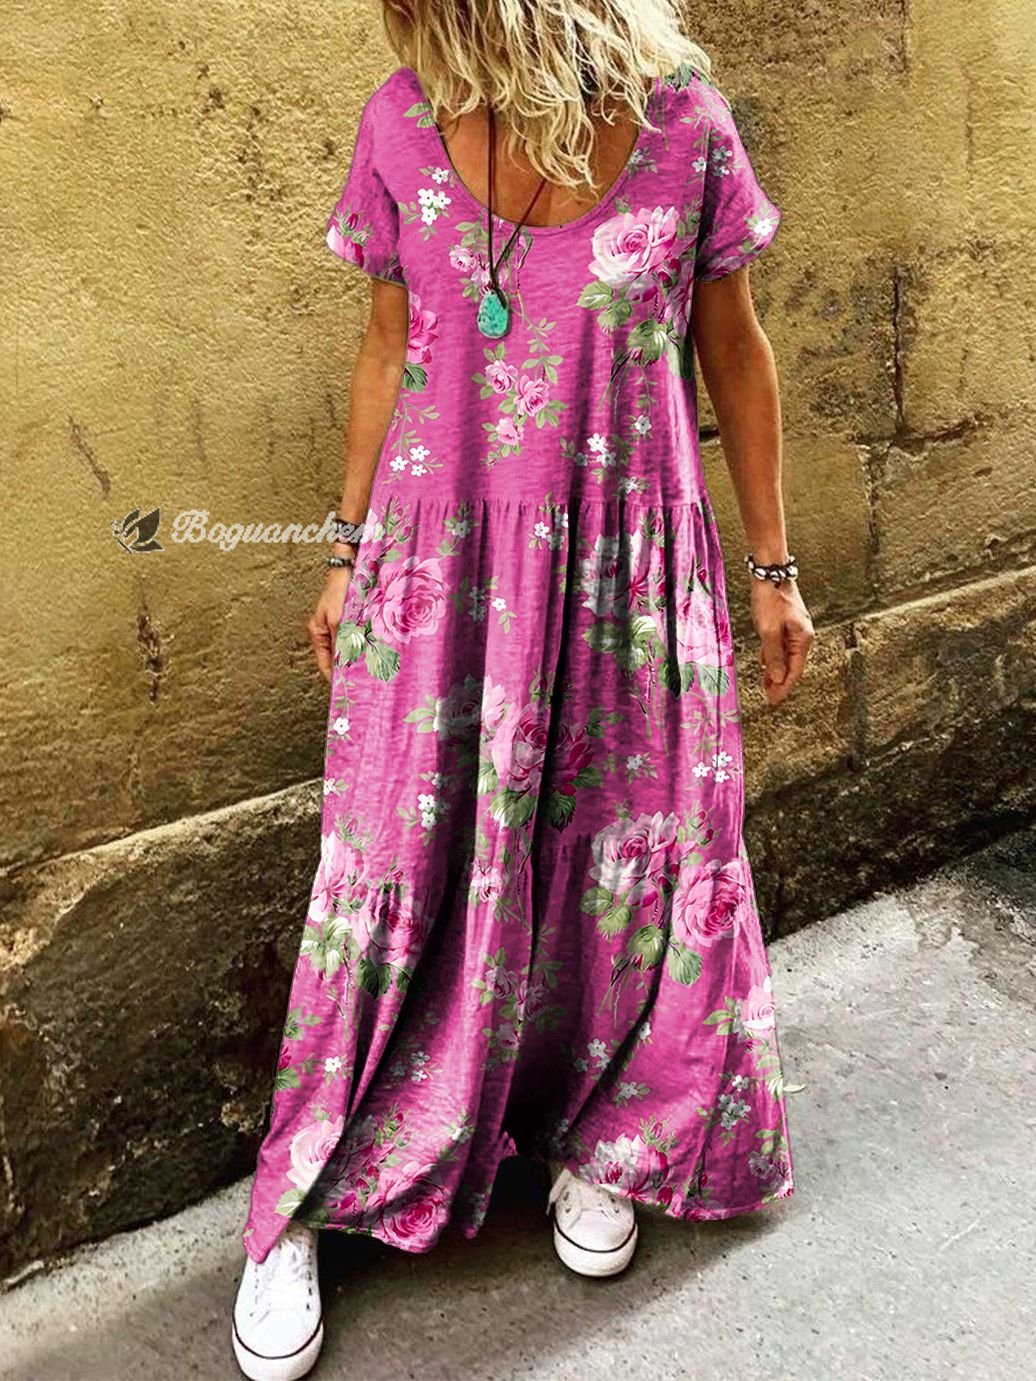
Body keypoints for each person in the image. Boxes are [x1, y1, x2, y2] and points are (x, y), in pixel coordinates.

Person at [232, 2, 814, 1376]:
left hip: (628, 562)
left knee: (627, 846)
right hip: (441, 568)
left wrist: (774, 568)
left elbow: (735, 348)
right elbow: (389, 344)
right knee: (391, 857)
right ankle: (303, 1193)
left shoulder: (686, 127)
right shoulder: (399, 124)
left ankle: (609, 1132)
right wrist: (343, 552)